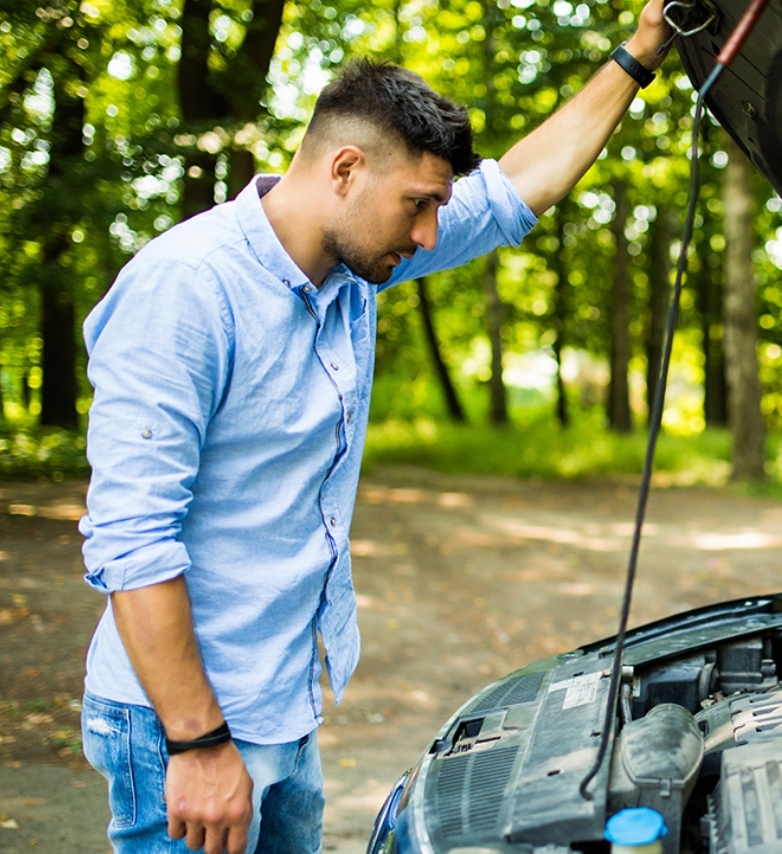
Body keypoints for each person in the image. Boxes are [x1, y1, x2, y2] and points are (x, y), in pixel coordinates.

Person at [76, 4, 672, 853]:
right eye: (420, 205)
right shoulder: (187, 291)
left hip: (278, 703)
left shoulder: (348, 271)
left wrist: (639, 53)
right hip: (185, 720)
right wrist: (199, 744)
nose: (429, 233)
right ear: (346, 169)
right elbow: (131, 541)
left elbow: (514, 193)